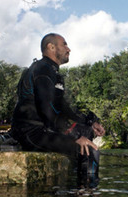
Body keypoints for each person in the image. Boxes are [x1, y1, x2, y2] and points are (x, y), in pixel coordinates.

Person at [10, 33, 105, 185]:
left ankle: (71, 183)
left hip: (45, 129)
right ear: (51, 47)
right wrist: (74, 134)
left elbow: (65, 109)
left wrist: (90, 121)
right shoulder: (42, 69)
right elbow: (47, 110)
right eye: (64, 44)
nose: (69, 49)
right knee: (89, 150)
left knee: (87, 132)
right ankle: (85, 194)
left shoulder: (53, 72)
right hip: (31, 132)